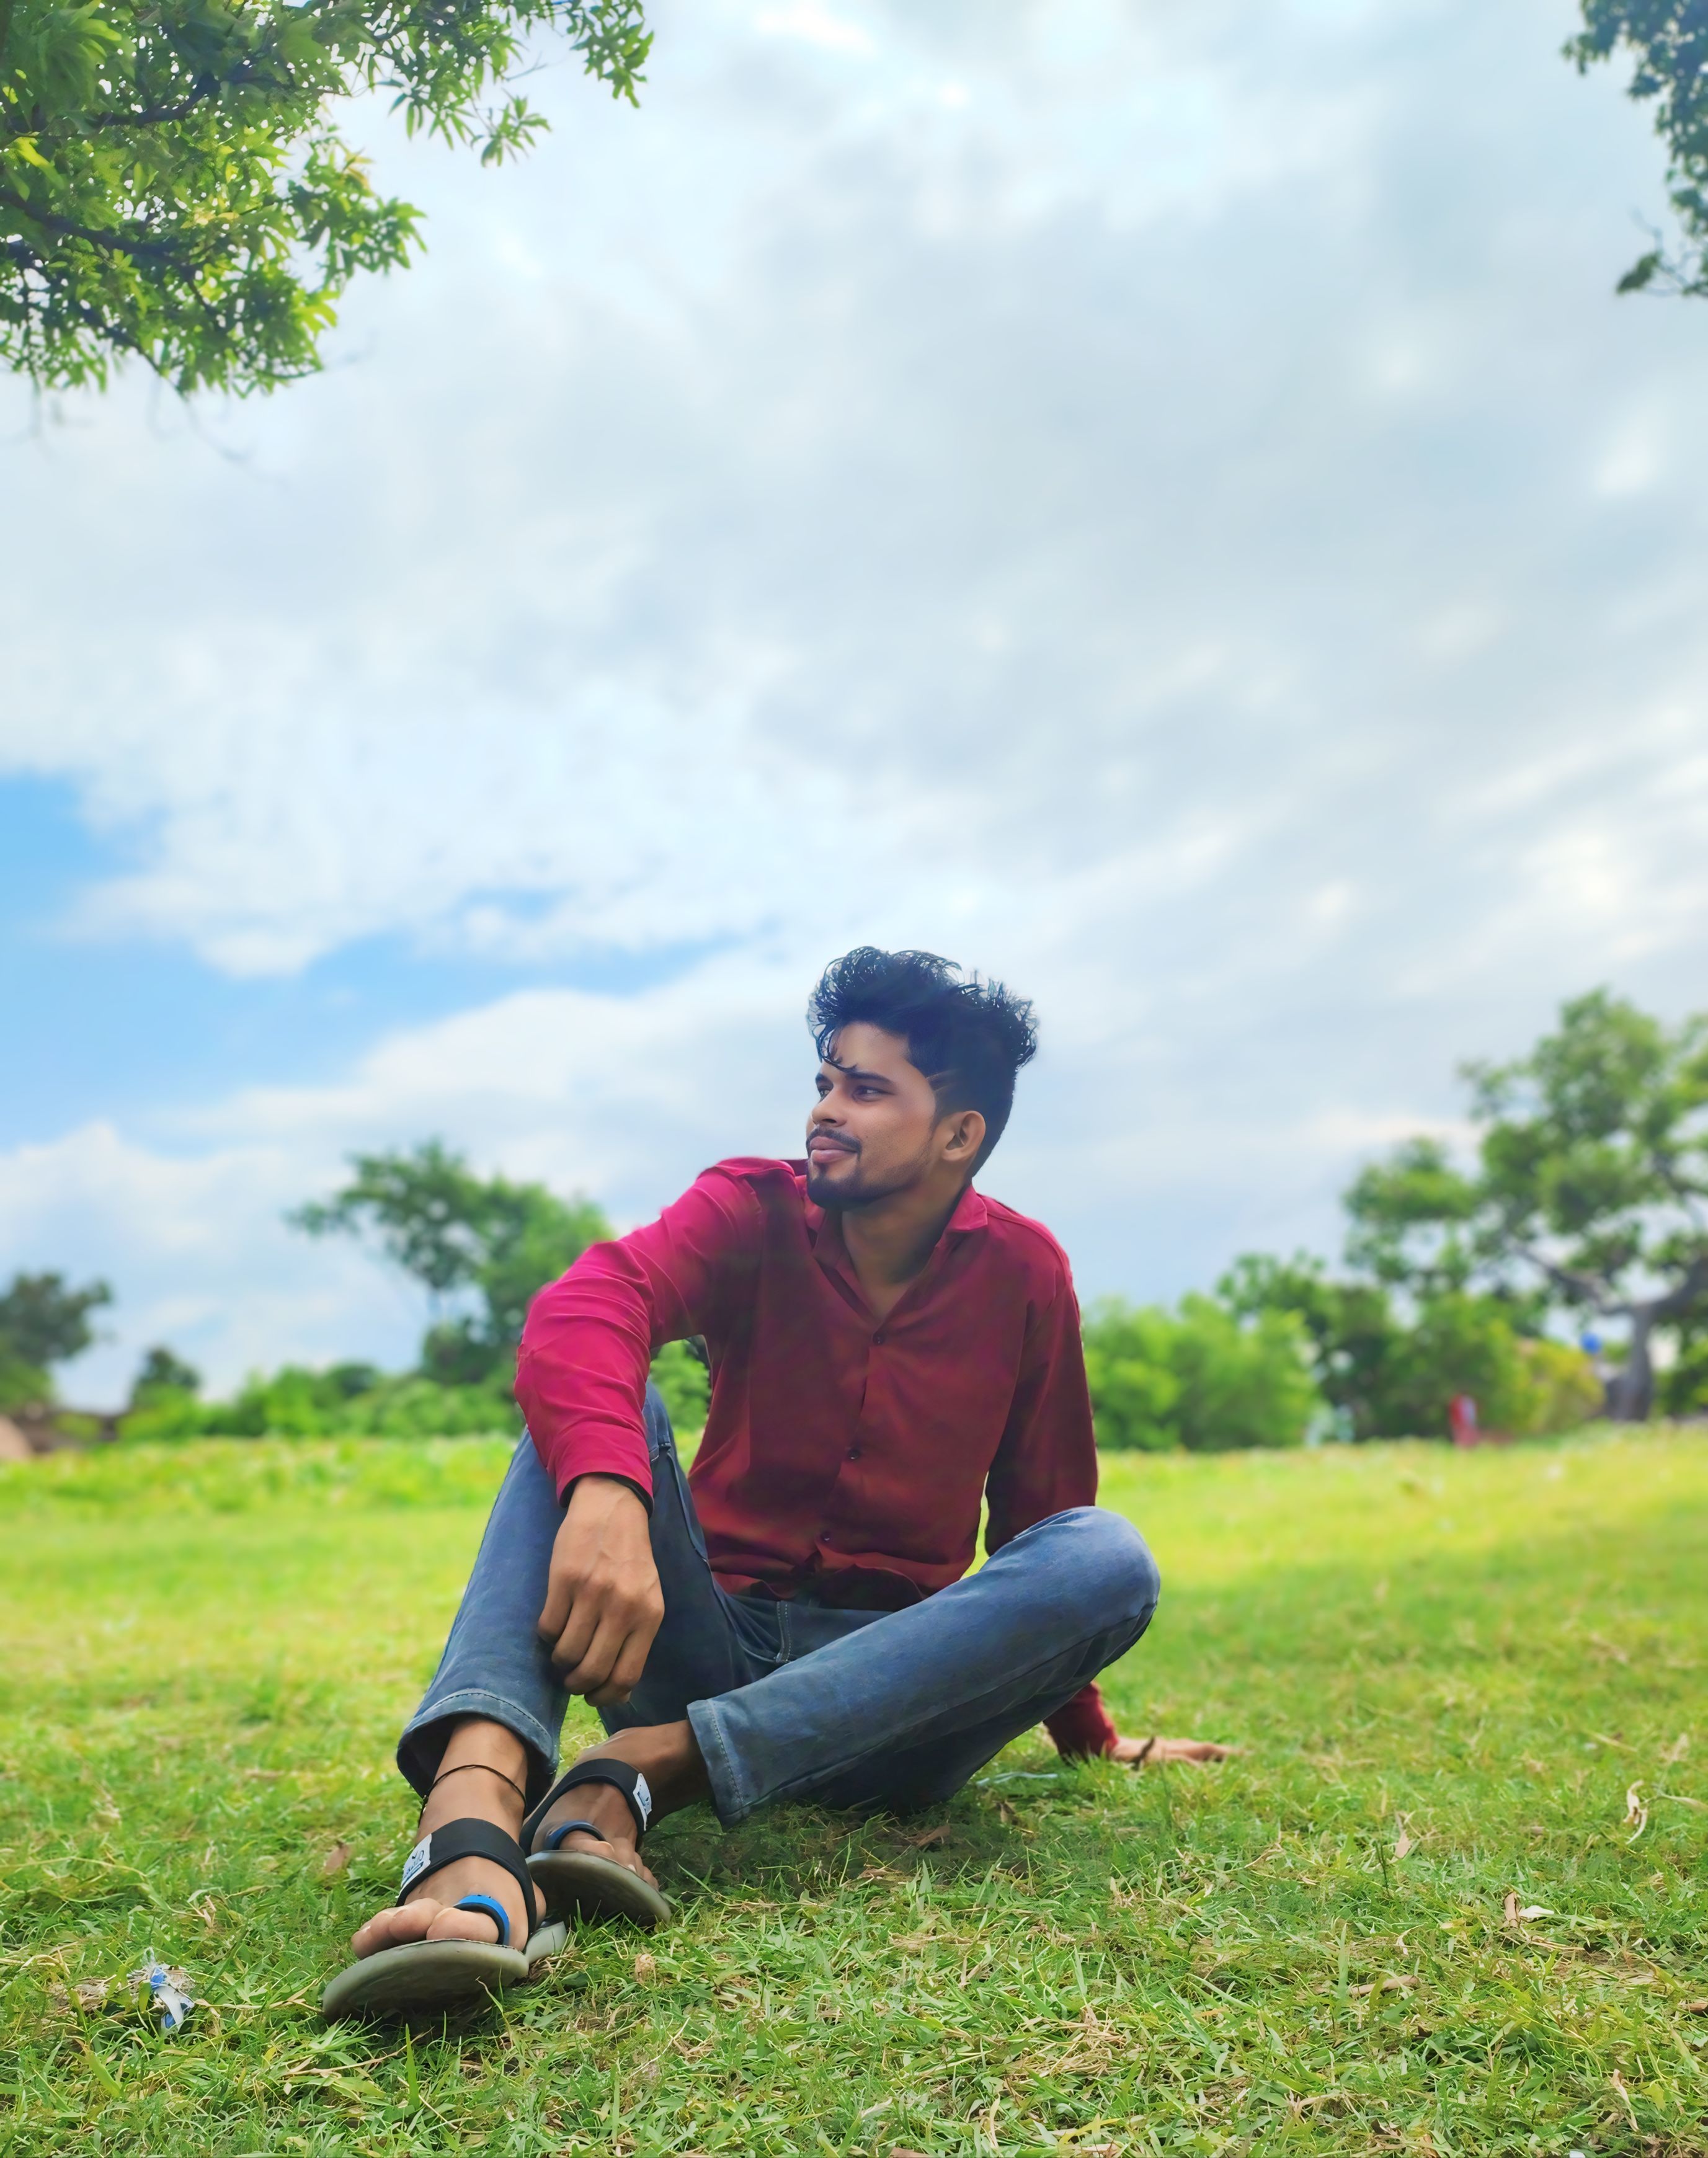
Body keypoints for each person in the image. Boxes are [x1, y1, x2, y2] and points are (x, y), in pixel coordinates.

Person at [324, 948, 1228, 2019]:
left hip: (896, 1702)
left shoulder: (1025, 1274)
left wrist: (1090, 1736)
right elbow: (592, 1302)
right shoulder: (749, 1209)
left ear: (958, 1135)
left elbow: (1044, 1521)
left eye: (868, 1090)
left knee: (1107, 1551)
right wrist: (609, 1490)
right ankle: (470, 1822)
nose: (826, 1111)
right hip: (701, 1647)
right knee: (598, 1409)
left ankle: (647, 1768)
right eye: (825, 1081)